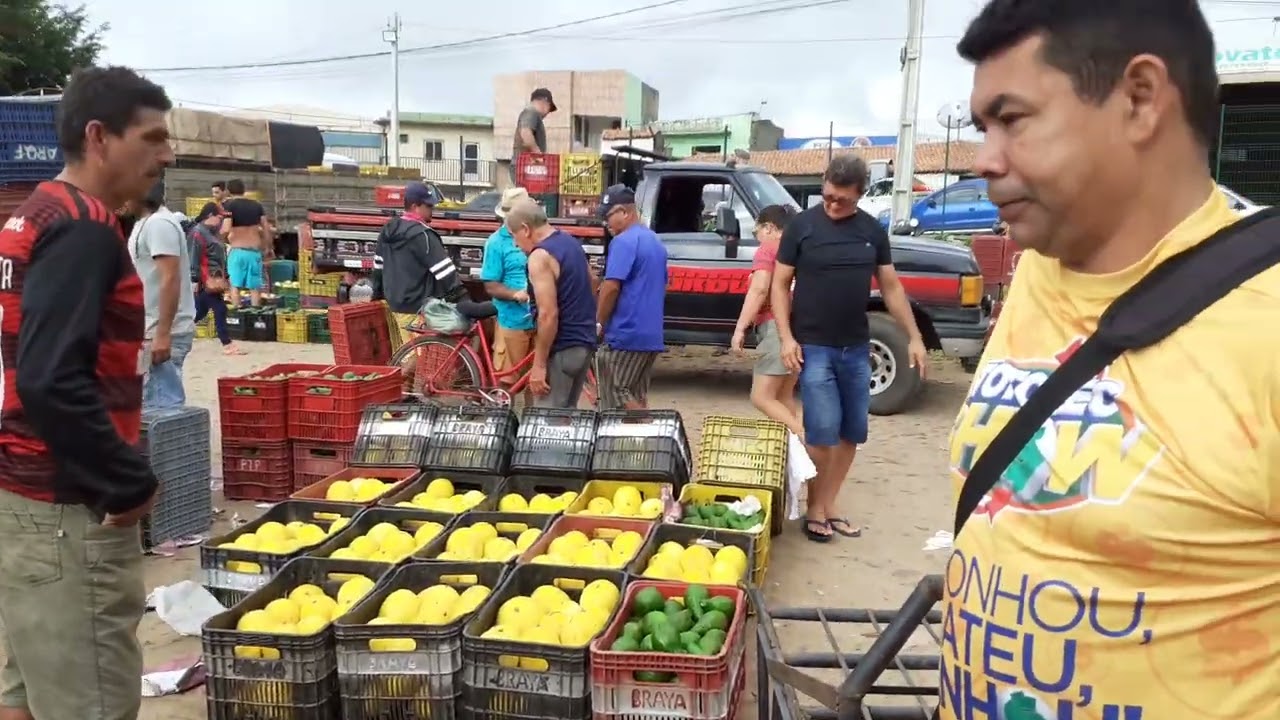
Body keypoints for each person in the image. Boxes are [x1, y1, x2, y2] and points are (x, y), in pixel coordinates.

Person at [941, 2, 1279, 719]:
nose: (985, 159)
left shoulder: (1267, 318)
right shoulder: (1038, 268)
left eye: (1013, 118)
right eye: (981, 127)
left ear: (1140, 99)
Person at [0, 65, 169, 720]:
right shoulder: (84, 229)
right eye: (151, 137)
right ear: (99, 137)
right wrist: (128, 482)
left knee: (27, 691)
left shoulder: (35, 213)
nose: (166, 154)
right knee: (89, 701)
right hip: (69, 512)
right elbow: (50, 378)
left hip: (25, 500)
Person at [771, 155, 926, 543]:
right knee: (821, 433)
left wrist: (915, 336)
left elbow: (891, 287)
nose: (832, 204)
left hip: (856, 349)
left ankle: (829, 505)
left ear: (860, 194)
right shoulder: (802, 227)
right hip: (814, 347)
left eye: (842, 199)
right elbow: (779, 285)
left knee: (851, 433)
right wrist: (786, 337)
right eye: (827, 196)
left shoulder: (872, 231)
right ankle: (814, 509)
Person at [505, 199, 596, 408]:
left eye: (513, 235)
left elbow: (548, 315)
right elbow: (592, 282)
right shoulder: (571, 243)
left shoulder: (539, 256)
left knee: (547, 423)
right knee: (566, 417)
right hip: (584, 344)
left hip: (562, 348)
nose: (515, 244)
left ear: (525, 229)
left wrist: (539, 365)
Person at [730, 204, 803, 436]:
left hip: (774, 327)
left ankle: (806, 439)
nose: (758, 237)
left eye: (757, 231)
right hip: (796, 327)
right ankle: (793, 447)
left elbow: (760, 289)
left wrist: (740, 328)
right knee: (783, 396)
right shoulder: (797, 249)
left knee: (761, 396)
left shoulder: (768, 250)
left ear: (770, 228)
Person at [595, 184, 668, 410]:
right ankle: (646, 432)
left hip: (626, 332)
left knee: (615, 395)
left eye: (608, 216)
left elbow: (611, 287)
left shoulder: (623, 241)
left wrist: (598, 323)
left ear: (624, 212)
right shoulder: (654, 241)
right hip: (651, 333)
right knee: (636, 394)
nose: (606, 223)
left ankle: (652, 427)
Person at [127, 181, 198, 408]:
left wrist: (163, 334)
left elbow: (170, 278)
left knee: (161, 406)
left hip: (164, 331)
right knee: (150, 400)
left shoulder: (159, 224)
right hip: (151, 329)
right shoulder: (145, 223)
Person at [373, 181, 463, 345]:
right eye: (428, 206)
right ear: (415, 206)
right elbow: (446, 274)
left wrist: (376, 296)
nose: (432, 209)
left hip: (396, 305)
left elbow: (378, 267)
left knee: (405, 350)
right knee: (420, 356)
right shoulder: (424, 235)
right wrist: (465, 301)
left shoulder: (387, 230)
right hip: (419, 308)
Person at [480, 187, 537, 391]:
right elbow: (490, 285)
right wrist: (515, 294)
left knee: (536, 381)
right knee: (507, 382)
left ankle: (531, 412)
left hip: (539, 320)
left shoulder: (535, 236)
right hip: (512, 320)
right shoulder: (496, 243)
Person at [189, 202, 242, 355]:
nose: (221, 221)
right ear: (210, 216)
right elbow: (193, 257)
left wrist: (226, 275)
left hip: (214, 279)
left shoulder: (212, 233)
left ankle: (174, 332)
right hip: (206, 280)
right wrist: (195, 279)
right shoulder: (198, 233)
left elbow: (219, 256)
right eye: (219, 217)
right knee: (220, 309)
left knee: (200, 312)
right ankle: (227, 344)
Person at [220, 178, 271, 307]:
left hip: (237, 251)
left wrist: (219, 240)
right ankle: (255, 314)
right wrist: (268, 247)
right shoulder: (257, 205)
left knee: (235, 286)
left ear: (228, 191)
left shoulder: (229, 206)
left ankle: (237, 313)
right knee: (255, 288)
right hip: (254, 252)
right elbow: (266, 228)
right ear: (244, 190)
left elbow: (226, 228)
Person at [510, 87, 556, 185]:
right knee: (528, 194)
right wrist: (538, 155)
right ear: (545, 102)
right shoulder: (531, 112)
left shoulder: (531, 114)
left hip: (526, 166)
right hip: (525, 167)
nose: (548, 113)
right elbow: (525, 133)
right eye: (549, 108)